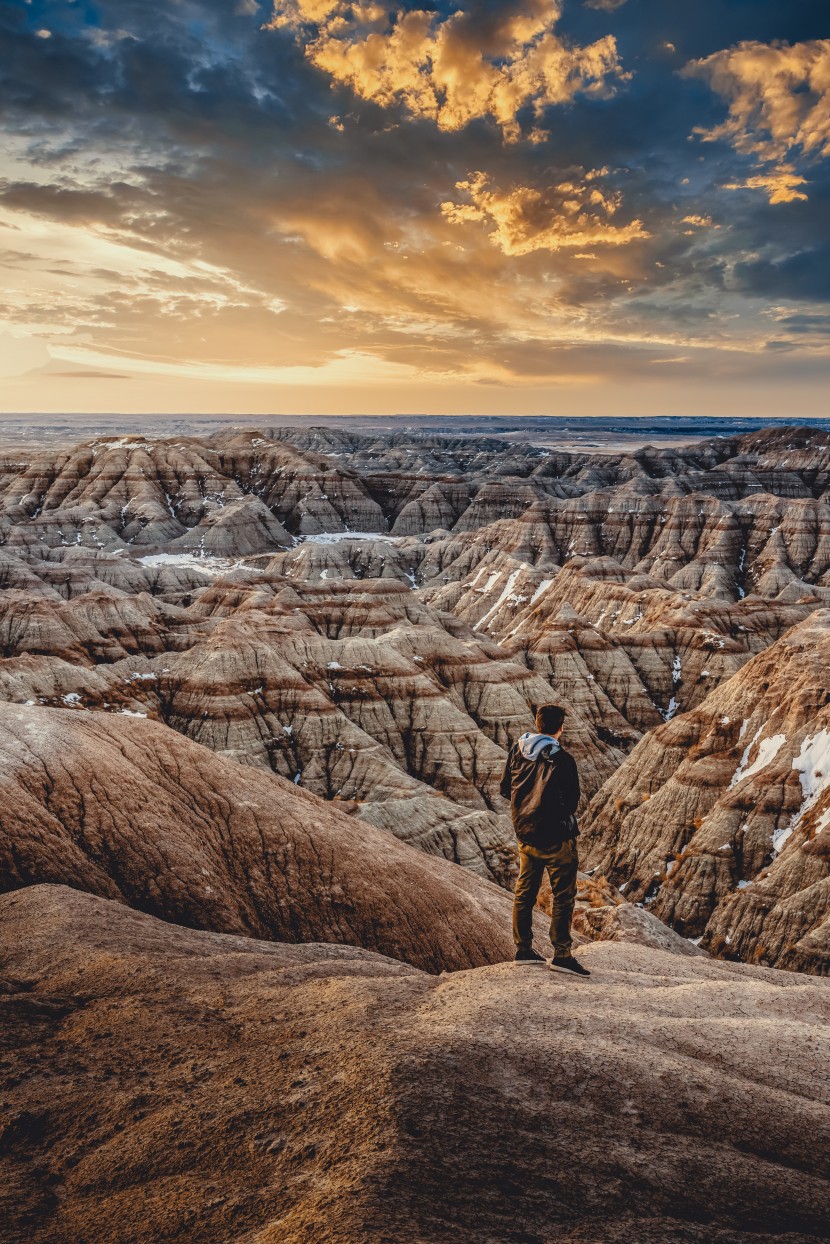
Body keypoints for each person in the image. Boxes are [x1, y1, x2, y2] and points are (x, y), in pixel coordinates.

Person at [500, 704, 590, 977]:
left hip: (525, 835)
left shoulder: (518, 750)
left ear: (537, 724)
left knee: (524, 891)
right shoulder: (562, 759)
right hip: (557, 839)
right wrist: (553, 813)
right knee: (563, 896)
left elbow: (506, 788)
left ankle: (523, 949)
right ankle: (561, 954)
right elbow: (572, 801)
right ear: (560, 728)